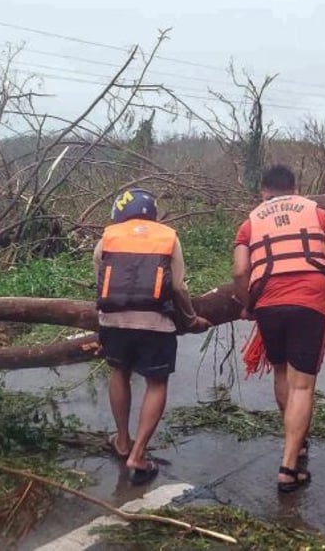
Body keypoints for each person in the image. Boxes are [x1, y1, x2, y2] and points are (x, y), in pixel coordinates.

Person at [232, 165, 325, 492]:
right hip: (310, 297)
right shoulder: (319, 213)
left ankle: (296, 442)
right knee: (303, 386)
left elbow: (240, 270)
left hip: (268, 300)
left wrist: (247, 304)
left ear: (263, 191)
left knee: (281, 372)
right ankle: (289, 466)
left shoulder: (249, 222)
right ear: (295, 188)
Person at [94, 188, 210, 485]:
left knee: (119, 371)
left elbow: (99, 280)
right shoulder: (168, 237)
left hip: (113, 321)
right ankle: (139, 454)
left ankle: (122, 441)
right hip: (155, 322)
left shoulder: (107, 237)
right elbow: (179, 287)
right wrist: (191, 319)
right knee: (156, 383)